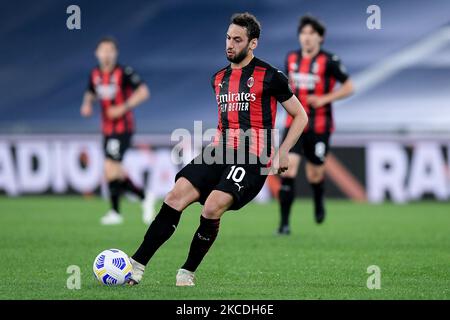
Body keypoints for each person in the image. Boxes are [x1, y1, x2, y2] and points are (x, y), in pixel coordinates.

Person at [126, 12, 308, 287]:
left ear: (253, 43)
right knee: (175, 196)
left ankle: (187, 271)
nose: (230, 45)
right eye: (228, 38)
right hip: (219, 151)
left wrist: (283, 151)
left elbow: (301, 116)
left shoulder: (270, 77)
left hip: (253, 157)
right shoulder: (218, 79)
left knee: (212, 207)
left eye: (237, 40)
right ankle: (136, 266)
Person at [277, 16, 354, 235]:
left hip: (320, 125)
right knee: (288, 170)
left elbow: (349, 87)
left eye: (311, 34)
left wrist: (324, 99)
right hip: (294, 125)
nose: (307, 38)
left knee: (314, 175)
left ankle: (319, 199)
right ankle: (284, 224)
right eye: (303, 33)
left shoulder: (330, 60)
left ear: (320, 37)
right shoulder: (291, 58)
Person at [80, 36, 155, 225]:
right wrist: (87, 104)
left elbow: (144, 92)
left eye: (110, 50)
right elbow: (90, 91)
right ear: (97, 53)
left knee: (110, 167)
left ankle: (116, 212)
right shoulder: (95, 74)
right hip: (106, 129)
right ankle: (144, 196)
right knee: (114, 171)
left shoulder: (124, 72)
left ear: (115, 53)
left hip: (123, 128)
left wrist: (123, 107)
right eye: (103, 50)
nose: (106, 54)